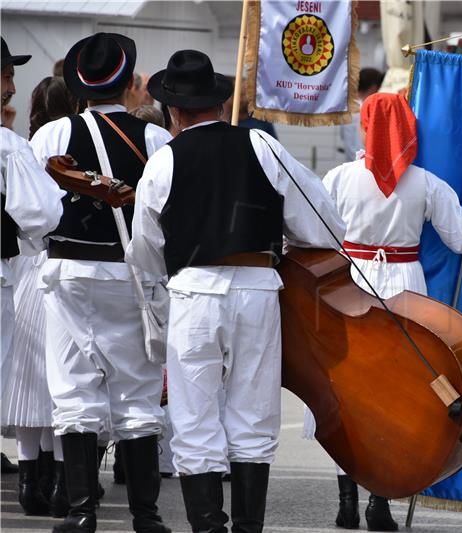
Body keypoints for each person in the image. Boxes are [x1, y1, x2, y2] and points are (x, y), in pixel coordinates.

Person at [126, 49, 345, 533]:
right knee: (253, 413)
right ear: (221, 105)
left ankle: (208, 528)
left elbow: (144, 248)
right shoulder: (264, 148)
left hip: (194, 293)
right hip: (257, 289)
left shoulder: (164, 161)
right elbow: (326, 224)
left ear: (174, 113)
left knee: (194, 414)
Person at [318, 92, 462, 530]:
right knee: (394, 395)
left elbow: (313, 236)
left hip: (350, 287)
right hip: (404, 289)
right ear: (408, 130)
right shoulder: (426, 182)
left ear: (365, 126)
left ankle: (346, 501)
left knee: (344, 389)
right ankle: (379, 503)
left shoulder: (339, 178)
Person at [29, 33, 172, 533]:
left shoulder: (50, 136)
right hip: (130, 273)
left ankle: (82, 511)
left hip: (69, 271)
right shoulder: (155, 138)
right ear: (129, 81)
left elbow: (34, 209)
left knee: (73, 389)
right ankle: (146, 515)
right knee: (136, 390)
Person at [2, 73, 78, 518]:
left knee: (26, 379)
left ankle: (33, 477)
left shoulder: (24, 143)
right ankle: (56, 479)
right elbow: (42, 215)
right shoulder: (13, 148)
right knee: (53, 378)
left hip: (20, 264)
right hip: (34, 260)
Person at [339, 68, 383, 162]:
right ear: (374, 87)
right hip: (366, 163)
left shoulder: (347, 107)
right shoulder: (371, 108)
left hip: (351, 162)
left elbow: (343, 136)